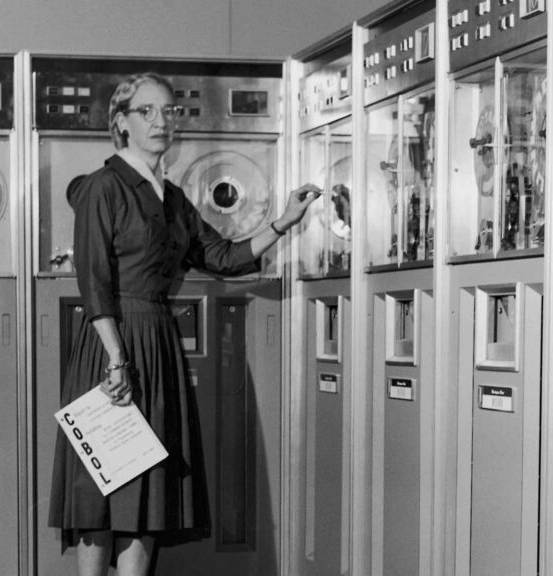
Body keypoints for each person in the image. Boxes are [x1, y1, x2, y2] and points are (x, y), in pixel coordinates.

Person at [48, 72, 320, 576]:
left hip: (155, 342)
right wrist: (116, 357)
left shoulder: (170, 197)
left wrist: (284, 221)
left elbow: (222, 255)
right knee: (103, 488)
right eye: (146, 112)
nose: (160, 121)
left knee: (144, 492)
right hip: (113, 346)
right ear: (122, 123)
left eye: (168, 112)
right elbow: (94, 280)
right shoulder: (102, 187)